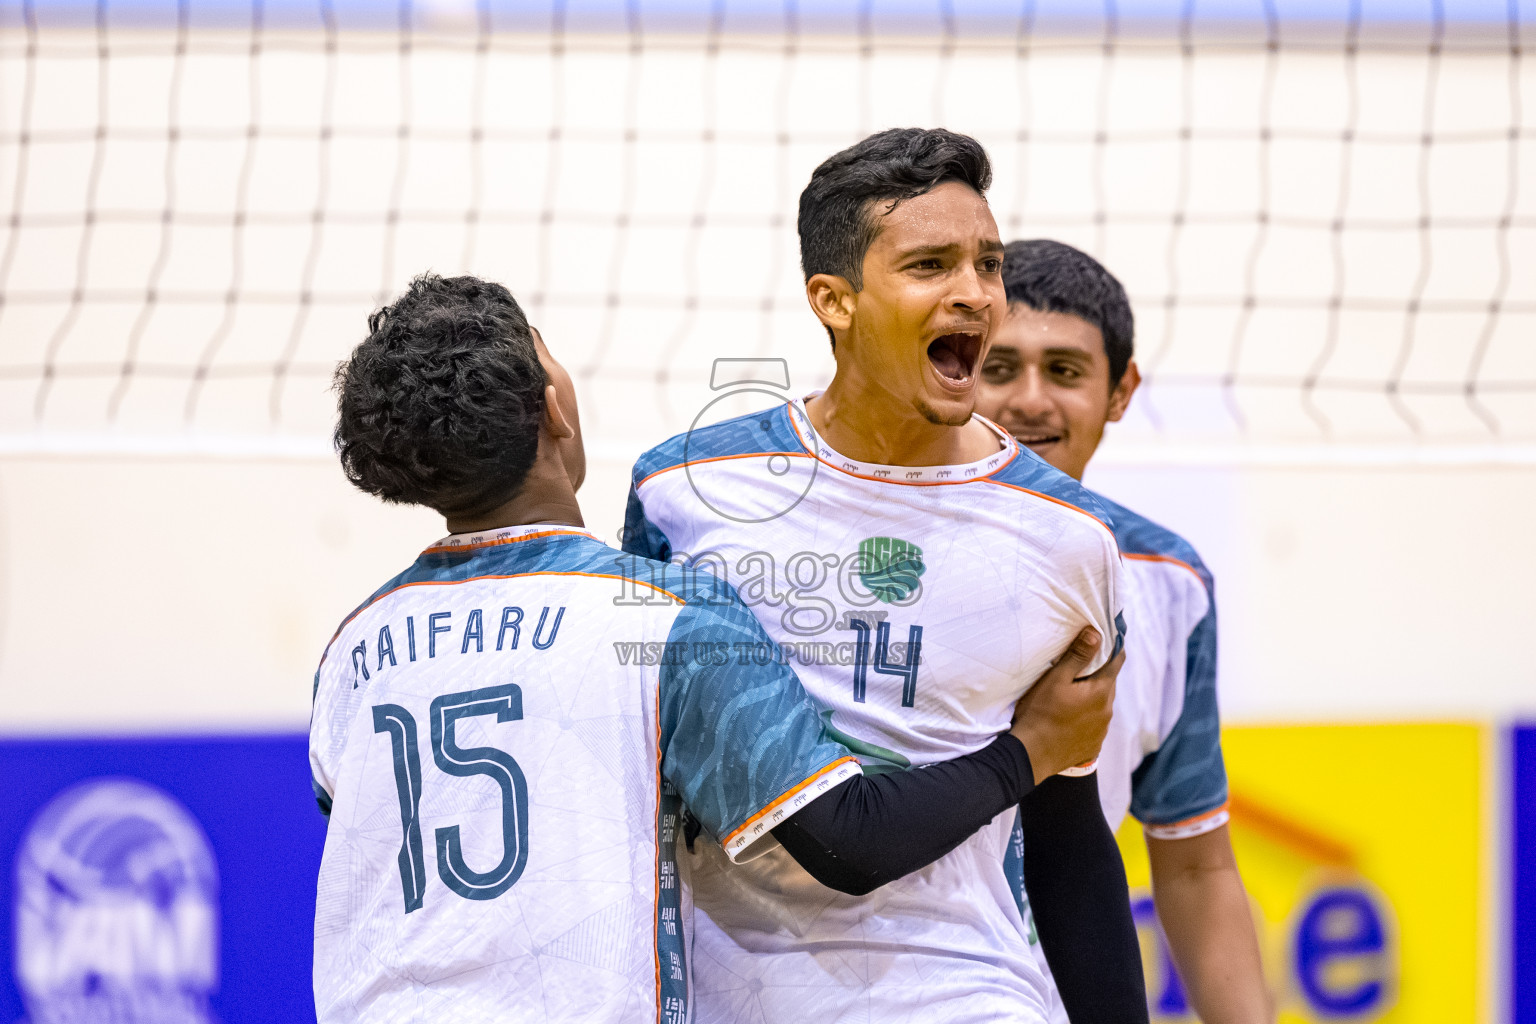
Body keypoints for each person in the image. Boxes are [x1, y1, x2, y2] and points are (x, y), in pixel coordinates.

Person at [308, 273, 1121, 1023]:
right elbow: (848, 838)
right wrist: (1033, 750)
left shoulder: (351, 651)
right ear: (555, 408)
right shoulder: (663, 614)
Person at [624, 129, 1146, 1023]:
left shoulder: (1071, 539)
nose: (976, 294)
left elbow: (1068, 834)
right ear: (835, 300)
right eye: (931, 265)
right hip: (733, 992)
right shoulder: (684, 492)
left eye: (988, 263)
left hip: (966, 991)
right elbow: (637, 782)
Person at [976, 239, 1272, 1023]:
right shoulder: (861, 554)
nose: (1029, 400)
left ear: (1120, 390)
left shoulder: (1169, 584)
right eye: (998, 368)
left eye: (1064, 371)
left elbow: (1197, 869)